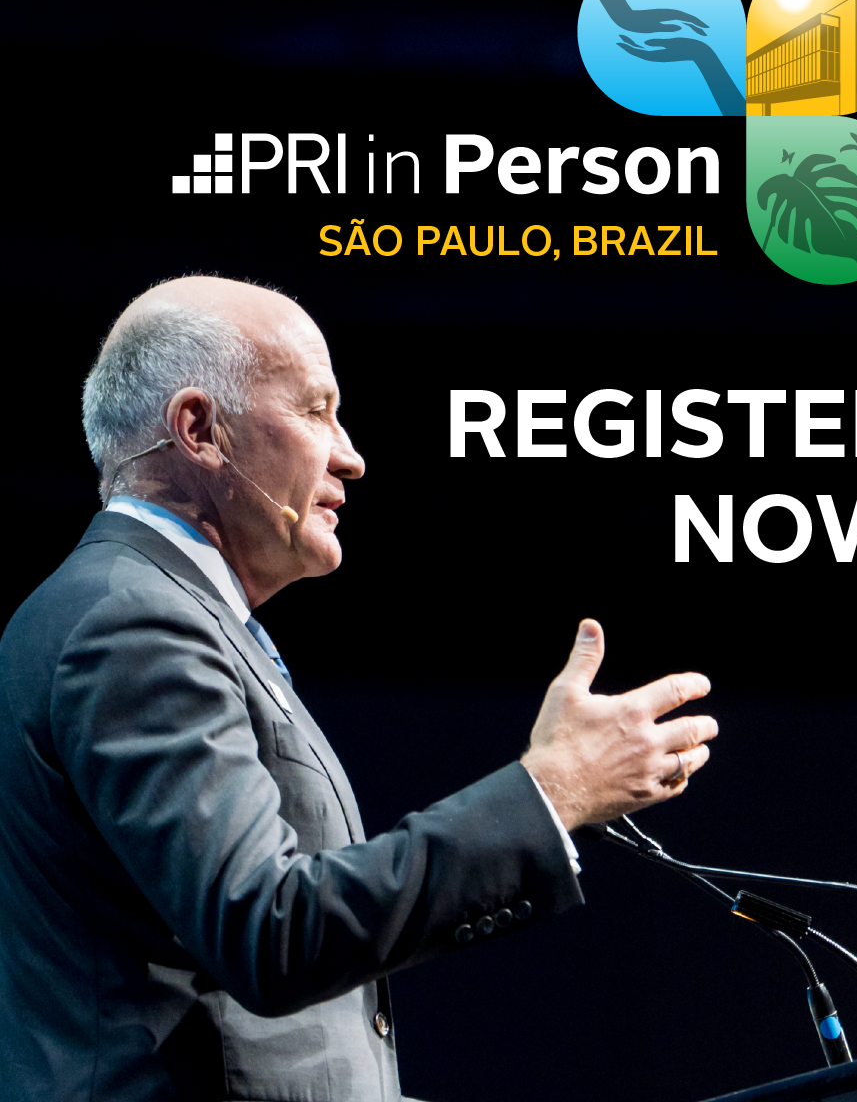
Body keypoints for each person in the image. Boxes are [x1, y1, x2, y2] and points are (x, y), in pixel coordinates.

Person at [0, 276, 718, 1102]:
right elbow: (269, 931)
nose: (350, 454)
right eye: (316, 411)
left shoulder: (151, 611)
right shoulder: (134, 622)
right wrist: (551, 792)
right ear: (198, 429)